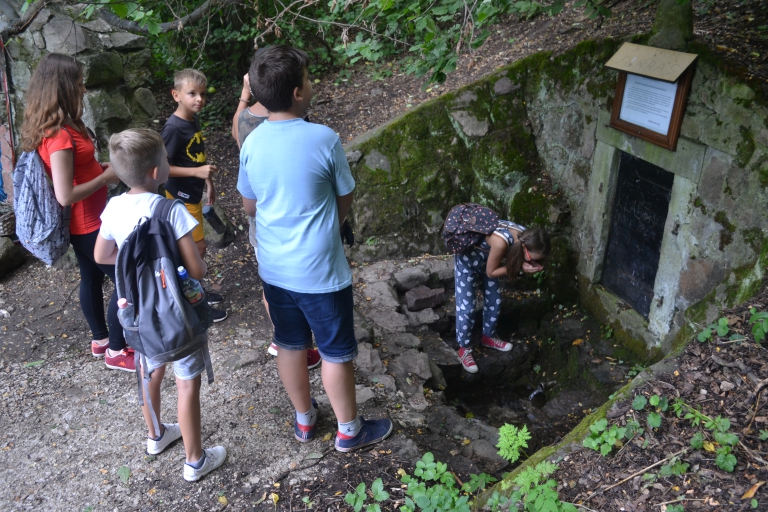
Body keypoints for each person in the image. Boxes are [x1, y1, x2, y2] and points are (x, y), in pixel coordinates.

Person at [238, 45, 392, 451]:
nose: (312, 84)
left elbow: (249, 205)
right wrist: (329, 223)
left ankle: (305, 421)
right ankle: (349, 430)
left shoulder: (251, 143)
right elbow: (345, 197)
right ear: (297, 93)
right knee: (335, 351)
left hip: (275, 268)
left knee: (289, 343)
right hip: (320, 272)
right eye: (308, 79)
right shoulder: (323, 138)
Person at [94, 128, 226, 481]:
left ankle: (156, 436)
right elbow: (196, 269)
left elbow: (102, 253)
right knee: (186, 382)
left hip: (137, 311)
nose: (169, 162)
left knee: (149, 369)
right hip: (177, 314)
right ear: (156, 172)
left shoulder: (114, 207)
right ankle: (195, 460)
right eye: (166, 160)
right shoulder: (172, 210)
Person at [19, 53, 135, 372]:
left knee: (91, 277)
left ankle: (100, 339)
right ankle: (115, 348)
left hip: (92, 218)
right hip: (87, 223)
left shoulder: (68, 123)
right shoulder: (58, 135)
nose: (84, 90)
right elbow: (65, 193)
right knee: (128, 279)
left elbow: (77, 172)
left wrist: (100, 169)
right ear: (63, 87)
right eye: (80, 84)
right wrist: (105, 178)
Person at [232, 60, 322, 371]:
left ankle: (284, 337)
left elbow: (237, 134)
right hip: (295, 216)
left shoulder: (248, 122)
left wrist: (245, 95)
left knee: (273, 280)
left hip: (264, 219)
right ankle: (300, 340)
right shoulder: (308, 127)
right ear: (295, 91)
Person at [163, 68, 227, 323]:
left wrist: (207, 181)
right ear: (176, 95)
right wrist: (197, 172)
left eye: (202, 94)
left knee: (196, 247)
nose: (199, 99)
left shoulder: (192, 119)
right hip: (179, 195)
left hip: (193, 193)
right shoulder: (173, 128)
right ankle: (192, 298)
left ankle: (194, 290)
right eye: (192, 94)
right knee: (195, 247)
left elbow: (199, 156)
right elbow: (163, 167)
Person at [454, 222, 551, 373]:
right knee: (467, 308)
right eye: (532, 259)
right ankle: (463, 348)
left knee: (495, 300)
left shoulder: (528, 237)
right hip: (468, 262)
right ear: (525, 249)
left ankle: (488, 337)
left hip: (488, 261)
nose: (534, 263)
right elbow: (491, 273)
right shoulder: (501, 242)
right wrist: (520, 266)